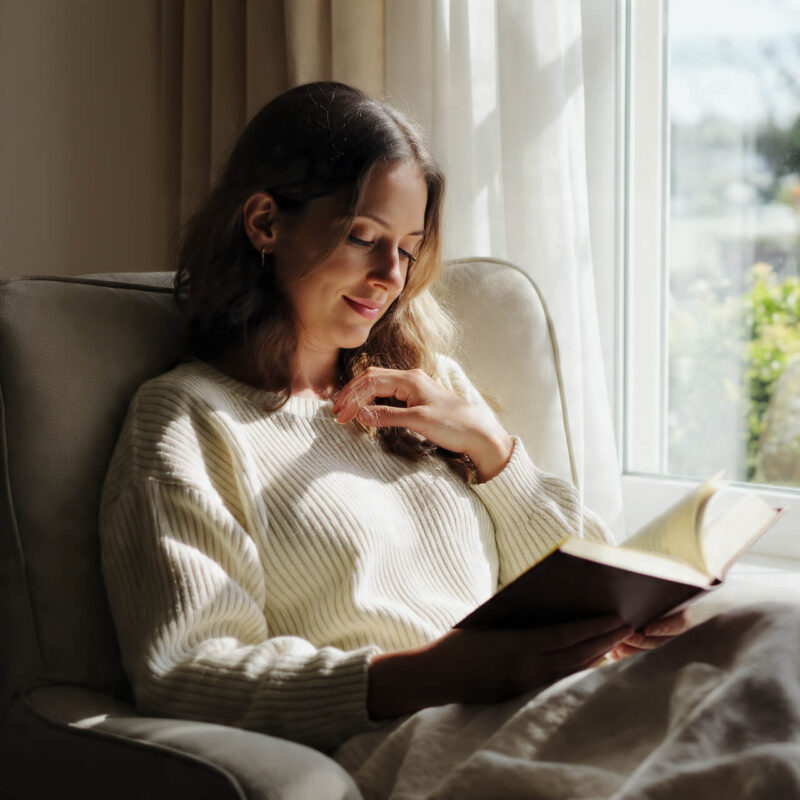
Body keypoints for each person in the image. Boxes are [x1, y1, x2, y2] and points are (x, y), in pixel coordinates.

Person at [98, 81, 690, 776]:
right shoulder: (189, 418)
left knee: (773, 634)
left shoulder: (432, 391)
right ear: (264, 222)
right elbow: (188, 668)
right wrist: (434, 673)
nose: (390, 277)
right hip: (435, 744)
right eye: (364, 238)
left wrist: (495, 453)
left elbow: (579, 577)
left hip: (558, 703)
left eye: (408, 249)